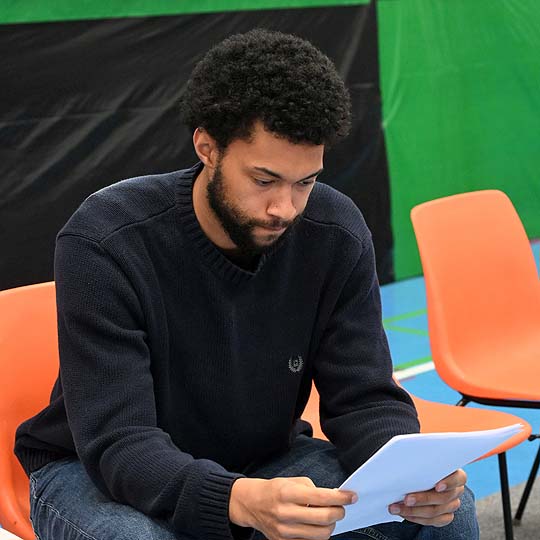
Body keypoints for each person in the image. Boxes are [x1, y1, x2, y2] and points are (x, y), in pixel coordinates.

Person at [15, 29, 479, 540]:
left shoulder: (336, 233)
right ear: (207, 148)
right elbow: (119, 441)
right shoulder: (106, 239)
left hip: (265, 459)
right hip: (95, 472)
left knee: (442, 515)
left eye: (306, 182)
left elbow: (364, 398)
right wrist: (234, 499)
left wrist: (412, 475)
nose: (286, 208)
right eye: (263, 180)